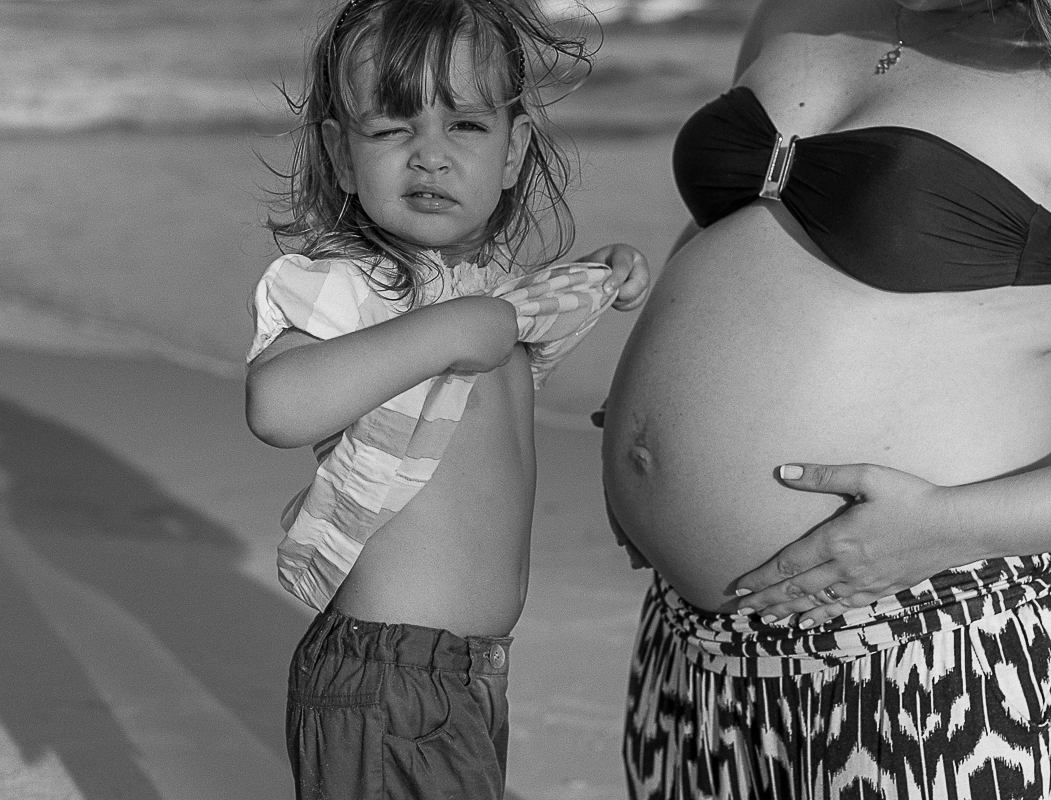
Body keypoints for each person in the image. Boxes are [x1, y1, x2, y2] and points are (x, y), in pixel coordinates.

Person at [600, 0, 1051, 797]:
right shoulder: (796, 10)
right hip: (693, 659)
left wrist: (952, 525)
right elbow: (742, 214)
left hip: (925, 645)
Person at [244, 0, 651, 796]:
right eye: (391, 128)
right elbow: (277, 405)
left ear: (513, 151)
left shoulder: (490, 294)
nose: (430, 155)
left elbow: (505, 347)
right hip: (388, 675)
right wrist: (446, 331)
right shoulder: (349, 284)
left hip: (466, 675)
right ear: (340, 153)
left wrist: (593, 277)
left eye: (464, 125)